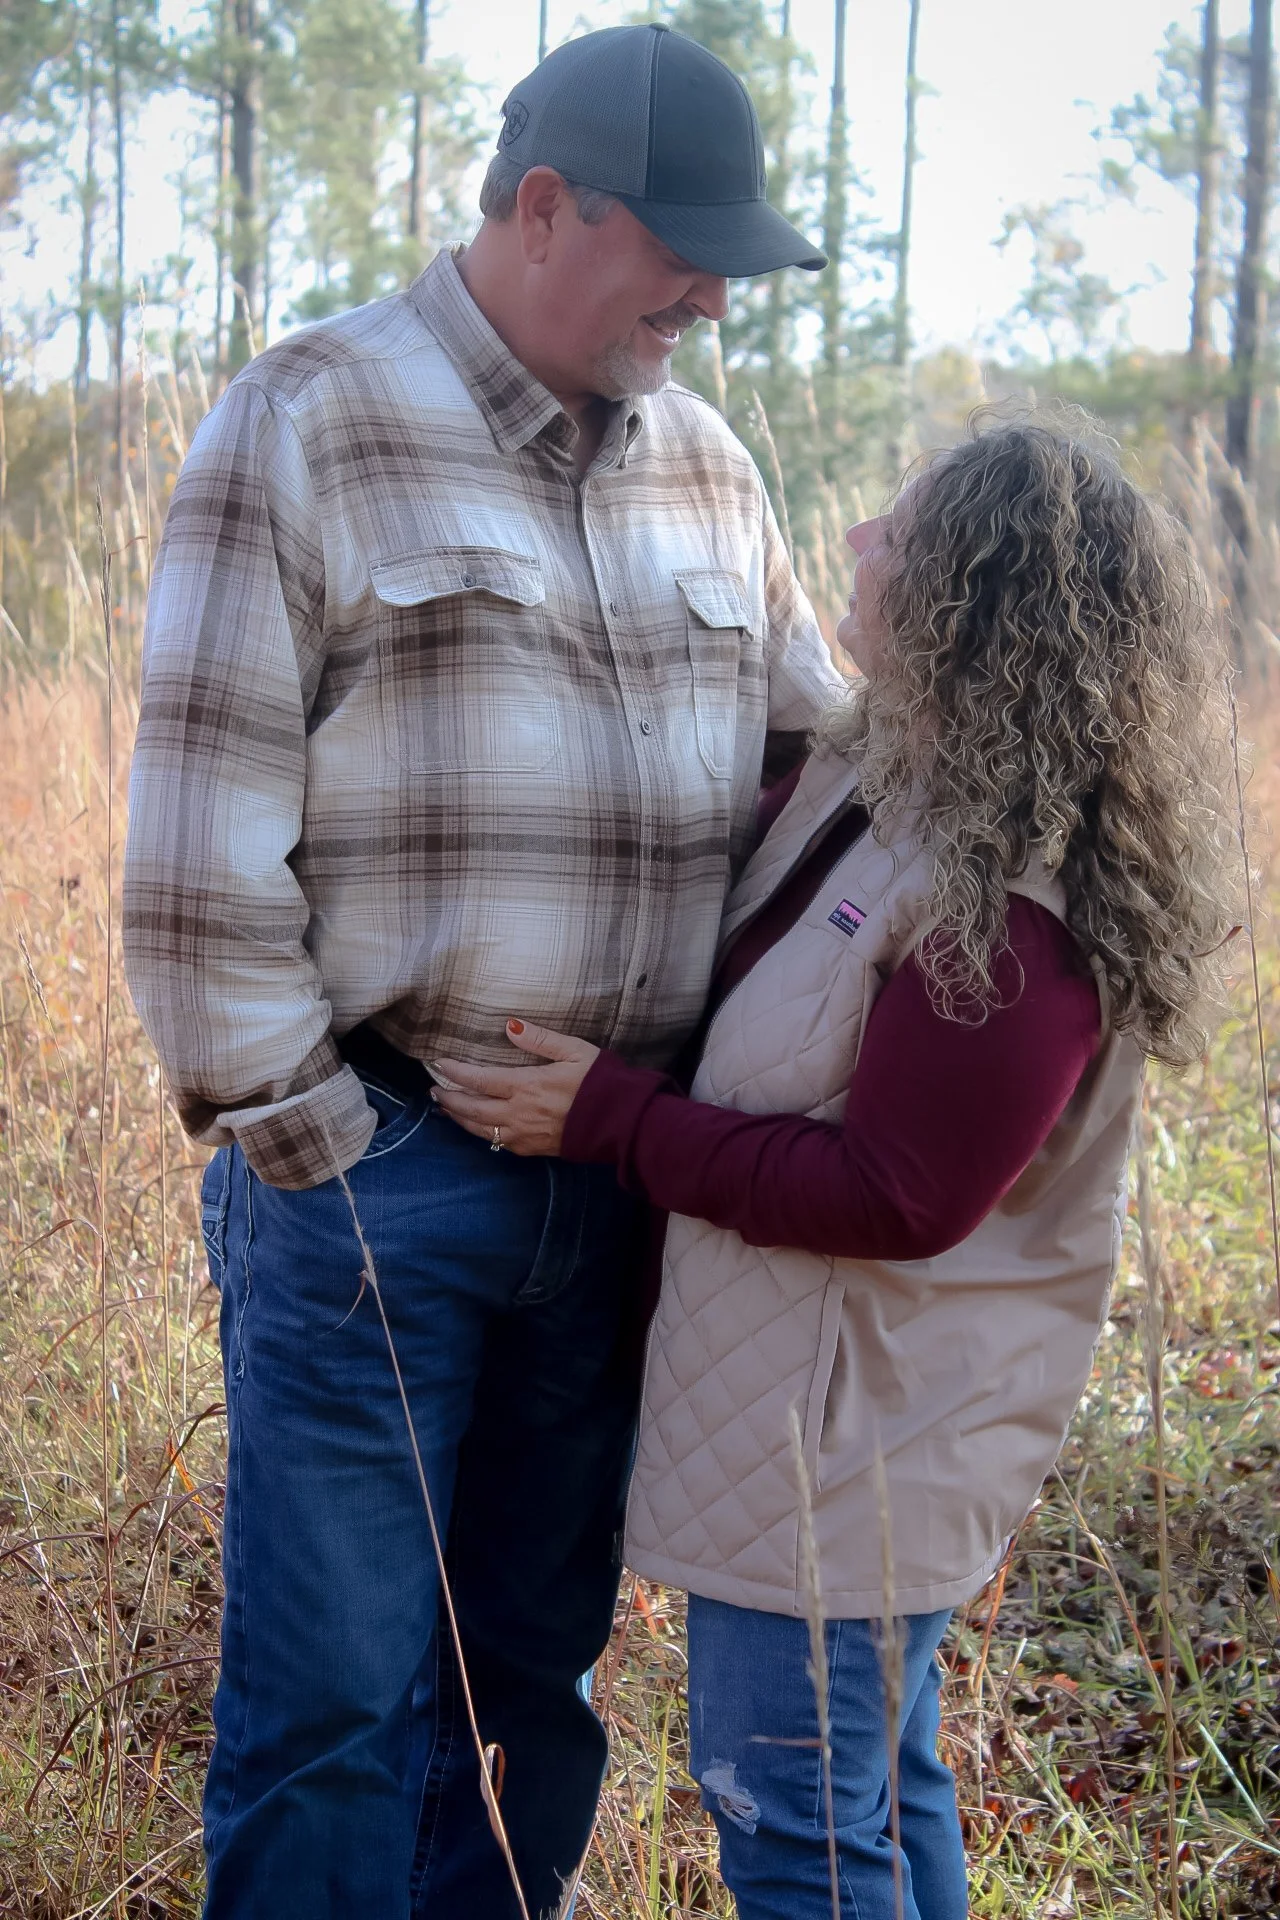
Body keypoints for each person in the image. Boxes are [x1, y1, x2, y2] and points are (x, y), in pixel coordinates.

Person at [122, 24, 841, 1920]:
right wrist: (320, 1150)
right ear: (544, 207)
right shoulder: (308, 420)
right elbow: (198, 851)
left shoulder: (709, 464)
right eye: (684, 251)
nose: (712, 296)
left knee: (535, 1697)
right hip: (390, 1175)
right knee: (334, 1712)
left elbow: (825, 764)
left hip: (625, 1190)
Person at [433, 417, 1238, 1920]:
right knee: (874, 1795)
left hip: (853, 1444)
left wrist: (609, 1118)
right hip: (826, 1419)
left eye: (900, 529)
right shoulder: (897, 781)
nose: (859, 544)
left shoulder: (1009, 899)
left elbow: (903, 1197)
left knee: (798, 1827)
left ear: (975, 596)